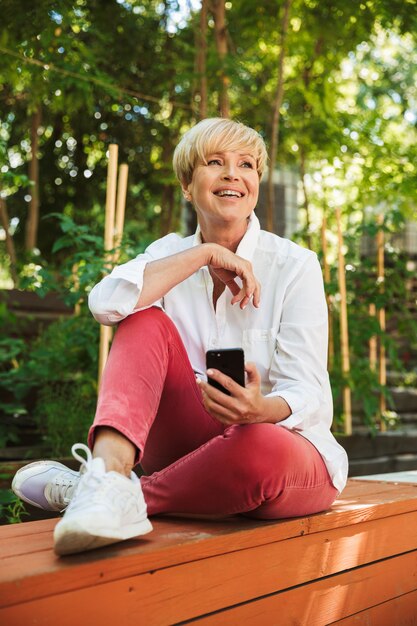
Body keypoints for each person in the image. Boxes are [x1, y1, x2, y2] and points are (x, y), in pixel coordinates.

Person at [12, 117, 348, 556]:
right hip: (187, 447)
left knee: (258, 443)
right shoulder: (169, 255)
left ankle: (106, 494)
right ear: (188, 186)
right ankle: (110, 472)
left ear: (256, 184)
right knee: (140, 315)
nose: (233, 173)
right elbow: (106, 304)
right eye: (215, 162)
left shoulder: (294, 265)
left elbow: (309, 392)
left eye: (246, 164)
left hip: (277, 450)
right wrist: (206, 254)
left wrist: (259, 408)